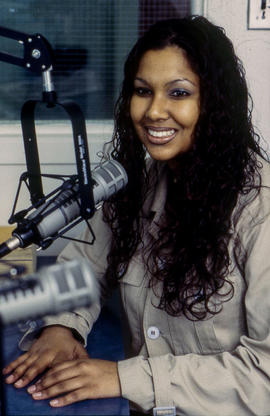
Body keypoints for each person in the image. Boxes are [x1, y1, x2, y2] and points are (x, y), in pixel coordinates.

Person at [2, 15, 270, 415]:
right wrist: (61, 326)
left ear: (214, 102)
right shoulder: (138, 184)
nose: (154, 111)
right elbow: (84, 267)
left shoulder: (259, 209)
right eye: (143, 91)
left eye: (178, 93)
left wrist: (122, 377)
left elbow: (264, 377)